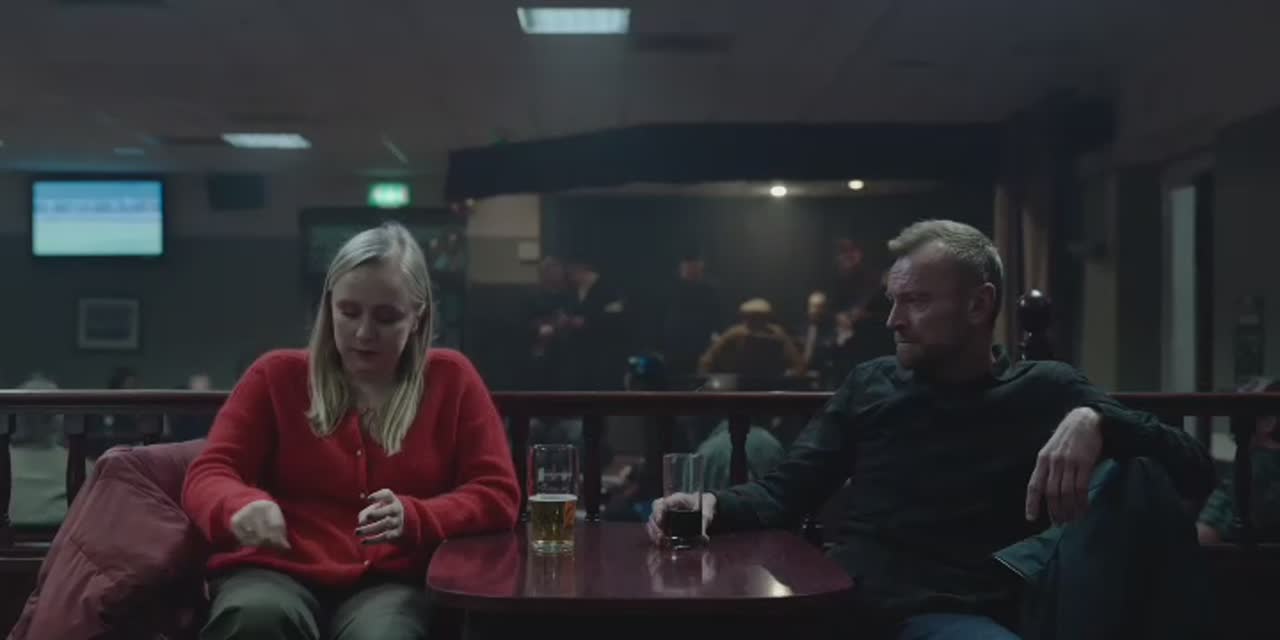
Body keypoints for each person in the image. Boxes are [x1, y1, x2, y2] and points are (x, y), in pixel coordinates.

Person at [648, 219, 1216, 640]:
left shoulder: (1044, 388)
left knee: (1136, 474)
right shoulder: (871, 383)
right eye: (894, 301)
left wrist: (1096, 419)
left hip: (990, 608)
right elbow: (785, 491)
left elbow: (1192, 469)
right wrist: (710, 504)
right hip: (870, 604)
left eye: (916, 301)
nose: (894, 320)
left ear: (979, 306)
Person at [182, 221, 521, 640]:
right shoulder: (276, 375)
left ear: (417, 317)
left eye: (386, 317)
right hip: (275, 570)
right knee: (253, 618)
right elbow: (210, 472)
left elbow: (497, 494)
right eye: (349, 312)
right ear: (328, 308)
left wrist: (418, 517)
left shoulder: (452, 378)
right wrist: (239, 505)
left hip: (391, 582)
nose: (364, 333)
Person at [1197, 377, 1280, 543]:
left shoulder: (1256, 466)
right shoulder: (1254, 463)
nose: (1234, 424)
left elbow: (1205, 534)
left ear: (1268, 421)